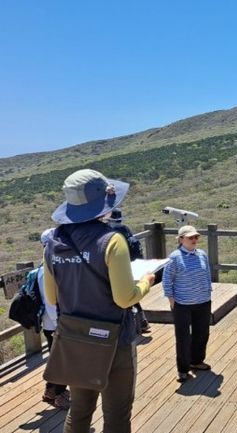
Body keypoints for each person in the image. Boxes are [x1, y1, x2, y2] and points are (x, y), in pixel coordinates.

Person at [43, 168, 155, 433]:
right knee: (116, 415)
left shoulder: (53, 243)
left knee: (79, 410)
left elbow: (51, 296)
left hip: (75, 339)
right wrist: (146, 283)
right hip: (114, 340)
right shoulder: (111, 241)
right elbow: (125, 298)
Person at [163, 225, 213, 383]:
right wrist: (171, 299)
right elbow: (167, 280)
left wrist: (208, 291)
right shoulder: (174, 257)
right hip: (182, 304)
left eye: (196, 237)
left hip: (203, 301)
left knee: (202, 333)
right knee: (183, 337)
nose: (194, 240)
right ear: (181, 239)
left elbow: (207, 274)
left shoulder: (202, 255)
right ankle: (183, 369)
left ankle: (196, 361)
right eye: (190, 237)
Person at [38, 228, 70, 410]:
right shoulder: (46, 271)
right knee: (61, 361)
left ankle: (51, 391)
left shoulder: (49, 266)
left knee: (55, 358)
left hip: (54, 323)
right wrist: (60, 326)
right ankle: (60, 394)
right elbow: (50, 303)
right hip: (55, 324)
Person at [106, 209, 150, 333]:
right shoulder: (126, 230)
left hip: (119, 269)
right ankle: (142, 322)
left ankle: (133, 325)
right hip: (133, 268)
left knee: (122, 299)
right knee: (132, 296)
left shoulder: (110, 233)